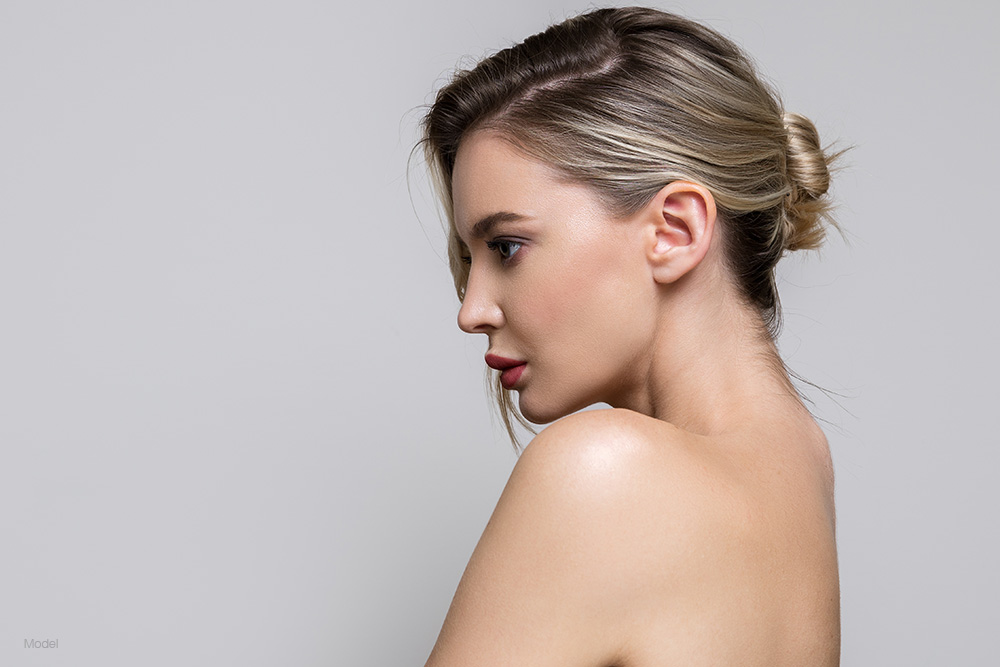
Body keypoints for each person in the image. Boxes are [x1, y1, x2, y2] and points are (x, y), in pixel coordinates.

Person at [420, 6, 842, 665]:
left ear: (674, 230)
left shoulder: (603, 470)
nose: (471, 310)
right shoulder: (801, 460)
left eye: (506, 247)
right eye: (470, 261)